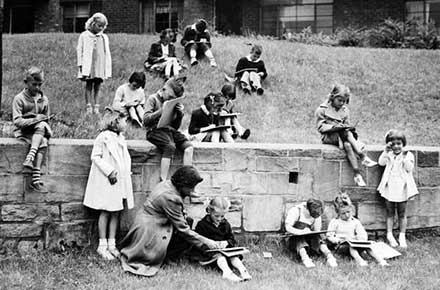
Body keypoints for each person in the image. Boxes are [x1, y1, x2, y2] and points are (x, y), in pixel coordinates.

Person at [119, 166, 221, 276]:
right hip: (150, 231)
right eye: (191, 187)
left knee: (188, 221)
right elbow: (183, 229)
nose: (193, 191)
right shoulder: (171, 197)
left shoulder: (168, 184)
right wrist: (206, 242)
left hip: (148, 222)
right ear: (182, 185)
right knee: (184, 234)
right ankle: (166, 257)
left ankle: (168, 255)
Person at [83, 108, 134, 260]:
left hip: (119, 181)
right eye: (125, 120)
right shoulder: (103, 137)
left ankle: (112, 244)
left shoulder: (121, 138)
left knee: (116, 211)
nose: (126, 124)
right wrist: (110, 171)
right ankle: (102, 245)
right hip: (108, 180)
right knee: (105, 211)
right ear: (116, 121)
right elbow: (96, 157)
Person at [315, 83, 377, 187]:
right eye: (340, 100)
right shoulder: (322, 109)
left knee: (348, 145)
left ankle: (357, 174)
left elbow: (346, 125)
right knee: (346, 133)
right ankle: (362, 156)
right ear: (332, 97)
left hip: (343, 135)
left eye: (344, 101)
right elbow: (320, 127)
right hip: (329, 136)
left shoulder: (345, 110)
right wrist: (333, 127)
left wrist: (346, 127)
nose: (342, 103)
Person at [143, 77, 193, 181]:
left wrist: (179, 114)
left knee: (189, 147)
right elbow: (146, 120)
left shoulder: (171, 102)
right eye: (170, 97)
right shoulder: (153, 99)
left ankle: (186, 178)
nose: (170, 100)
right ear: (163, 89)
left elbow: (175, 127)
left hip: (168, 130)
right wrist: (162, 110)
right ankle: (163, 180)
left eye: (173, 99)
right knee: (170, 146)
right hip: (154, 130)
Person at [12, 66, 52, 193]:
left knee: (44, 140)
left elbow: (47, 119)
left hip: (39, 133)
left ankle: (34, 172)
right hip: (24, 131)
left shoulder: (44, 99)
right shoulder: (19, 98)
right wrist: (35, 119)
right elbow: (17, 121)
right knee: (41, 132)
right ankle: (31, 159)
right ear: (26, 83)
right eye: (34, 84)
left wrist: (44, 122)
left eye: (40, 84)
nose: (37, 88)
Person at [193, 197, 252, 282]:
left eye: (222, 216)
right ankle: (227, 272)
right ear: (209, 211)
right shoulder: (202, 225)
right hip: (210, 254)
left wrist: (226, 242)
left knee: (233, 256)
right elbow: (198, 242)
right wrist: (210, 245)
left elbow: (232, 239)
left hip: (225, 251)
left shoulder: (225, 224)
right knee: (220, 256)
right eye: (216, 216)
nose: (219, 219)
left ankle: (243, 270)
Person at [377, 129, 418, 248]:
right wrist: (385, 150)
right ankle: (389, 234)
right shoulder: (388, 154)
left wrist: (404, 157)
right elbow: (381, 163)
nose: (396, 146)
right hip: (390, 186)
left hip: (402, 187)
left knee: (402, 212)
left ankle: (402, 235)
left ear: (403, 144)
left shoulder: (408, 154)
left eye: (399, 144)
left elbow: (409, 168)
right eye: (393, 144)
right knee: (390, 212)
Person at [327, 195, 389, 267]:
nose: (347, 215)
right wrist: (337, 240)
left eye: (348, 212)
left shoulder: (355, 221)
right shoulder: (335, 222)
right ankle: (360, 261)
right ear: (338, 213)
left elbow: (362, 233)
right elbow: (329, 235)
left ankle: (381, 261)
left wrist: (361, 239)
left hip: (354, 243)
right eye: (343, 213)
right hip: (341, 246)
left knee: (367, 247)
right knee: (351, 247)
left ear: (351, 209)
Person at [285, 198, 338, 268]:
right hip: (294, 240)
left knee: (318, 236)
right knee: (299, 232)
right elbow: (288, 228)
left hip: (309, 241)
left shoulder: (316, 214)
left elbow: (317, 230)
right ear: (306, 208)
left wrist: (310, 231)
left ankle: (329, 256)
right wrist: (301, 231)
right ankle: (305, 258)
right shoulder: (296, 211)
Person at [77, 12, 112, 114]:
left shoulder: (104, 37)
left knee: (98, 85)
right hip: (89, 65)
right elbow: (80, 50)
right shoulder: (84, 35)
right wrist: (80, 64)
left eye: (103, 26)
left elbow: (106, 52)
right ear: (93, 23)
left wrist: (106, 67)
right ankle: (88, 106)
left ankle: (96, 107)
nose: (101, 28)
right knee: (89, 85)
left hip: (100, 65)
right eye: (99, 25)